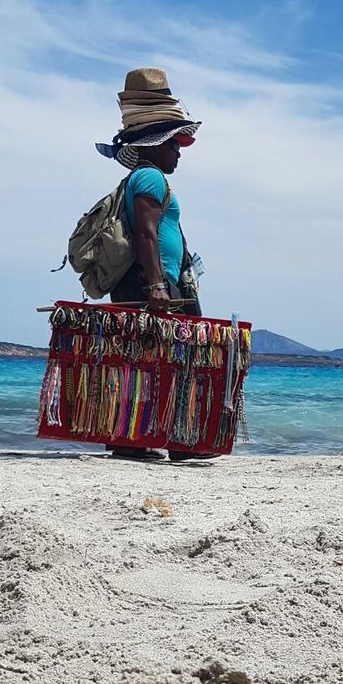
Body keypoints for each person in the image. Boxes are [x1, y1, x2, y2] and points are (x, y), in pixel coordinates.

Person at [96, 68, 206, 461]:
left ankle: (134, 440)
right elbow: (146, 234)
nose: (178, 151)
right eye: (173, 144)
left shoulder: (143, 177)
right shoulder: (150, 179)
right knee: (167, 361)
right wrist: (158, 286)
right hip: (149, 284)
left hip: (143, 282)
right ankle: (175, 443)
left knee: (143, 361)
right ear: (156, 144)